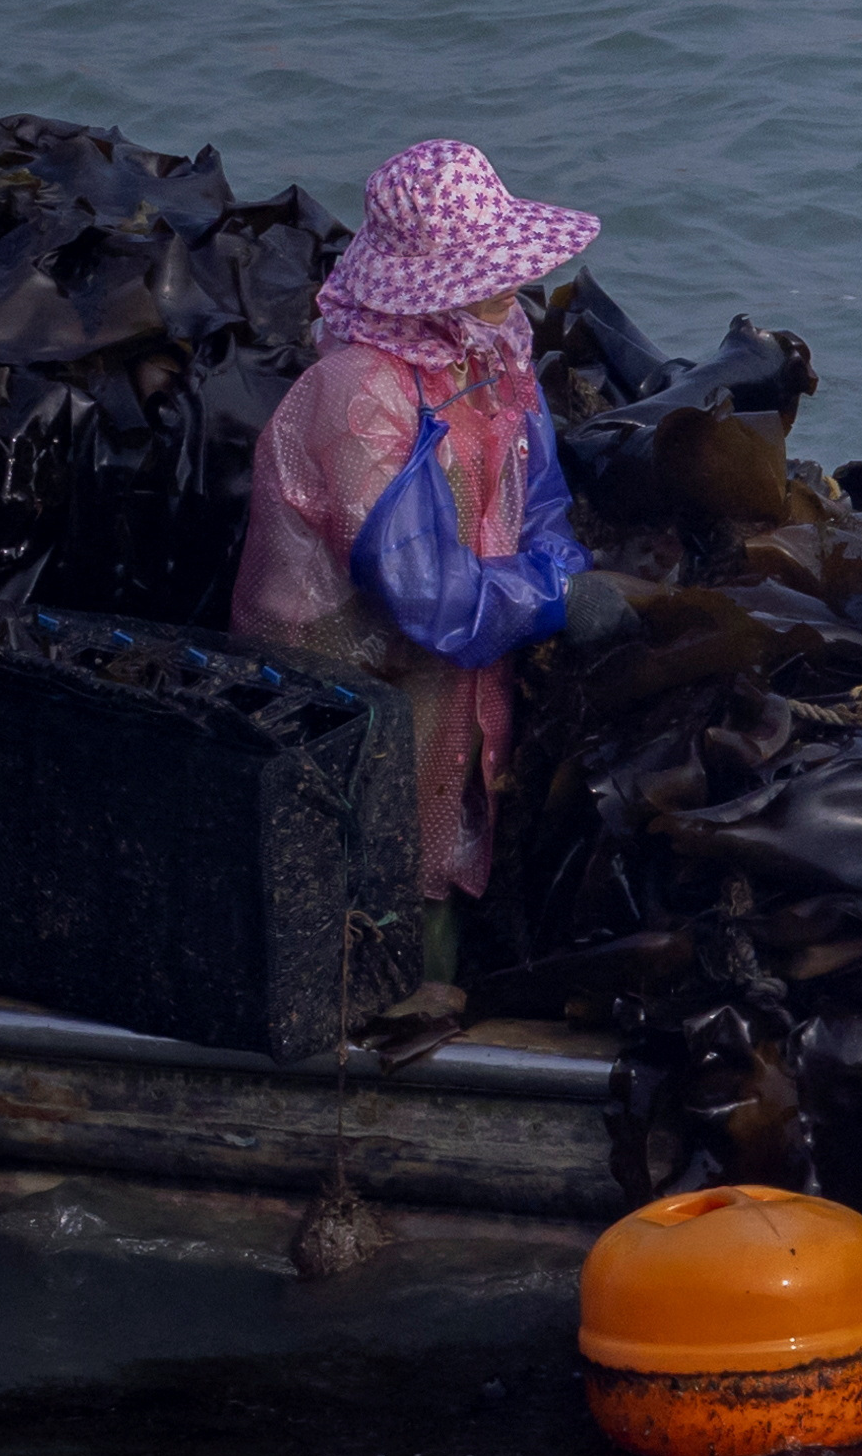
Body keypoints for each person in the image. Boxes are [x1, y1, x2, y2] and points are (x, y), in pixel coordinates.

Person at [234, 138, 632, 971]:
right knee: (362, 890)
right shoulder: (359, 394)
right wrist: (557, 600)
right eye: (486, 270)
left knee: (443, 867)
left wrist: (558, 568)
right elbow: (423, 597)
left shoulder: (495, 362)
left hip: (453, 682)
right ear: (428, 288)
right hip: (342, 693)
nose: (510, 286)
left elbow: (544, 501)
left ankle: (435, 977)